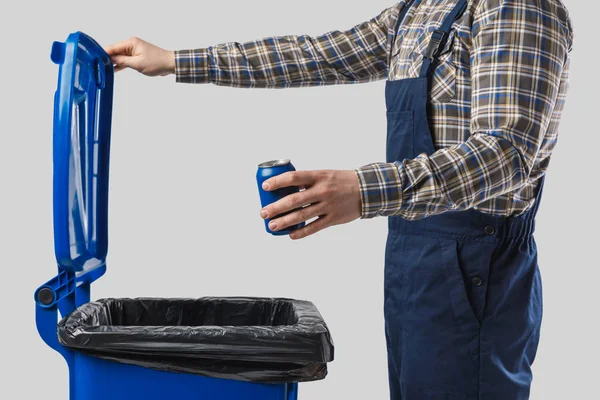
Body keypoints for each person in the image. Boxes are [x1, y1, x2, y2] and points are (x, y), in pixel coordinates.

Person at [106, 0, 574, 398]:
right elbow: (319, 56)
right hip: (414, 260)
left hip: (477, 265)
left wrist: (362, 190)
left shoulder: (516, 7)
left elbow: (507, 154)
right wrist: (174, 60)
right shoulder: (423, 9)